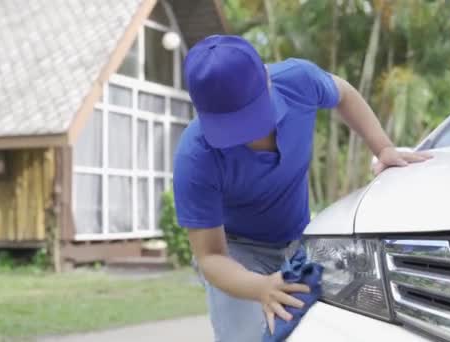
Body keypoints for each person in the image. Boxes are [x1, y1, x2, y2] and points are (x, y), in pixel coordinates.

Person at [173, 35, 431, 341]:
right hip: (237, 251)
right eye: (233, 126)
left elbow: (345, 94)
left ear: (268, 78)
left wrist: (383, 147)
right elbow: (211, 257)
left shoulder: (299, 81)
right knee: (243, 335)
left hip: (301, 237)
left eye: (253, 116)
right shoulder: (196, 156)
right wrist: (259, 287)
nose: (248, 135)